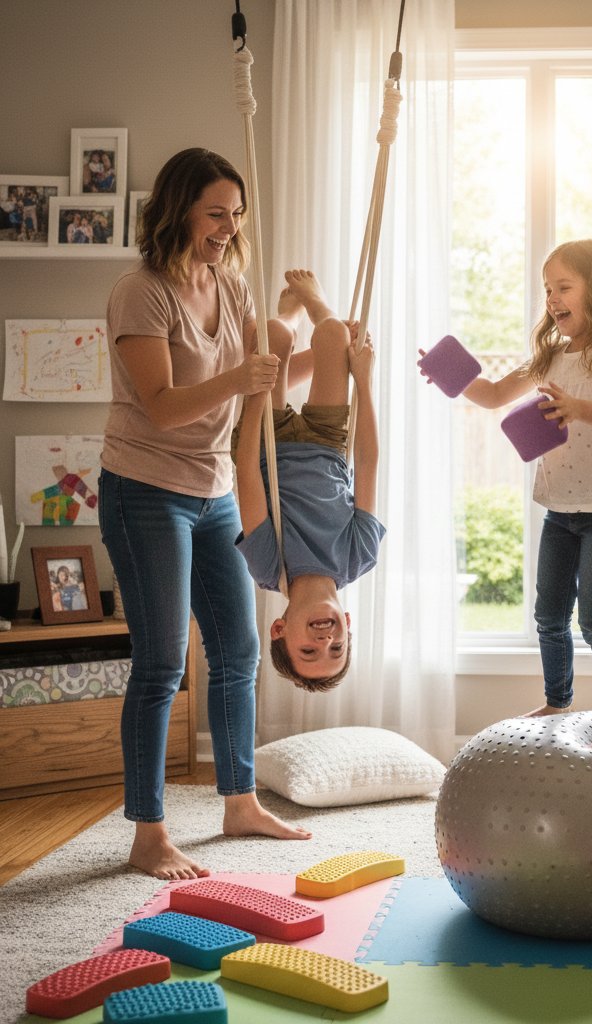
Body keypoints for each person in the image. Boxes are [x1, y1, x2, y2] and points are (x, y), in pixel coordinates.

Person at [99, 147, 311, 882]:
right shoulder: (141, 292)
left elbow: (267, 376)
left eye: (236, 214)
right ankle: (148, 832)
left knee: (239, 652)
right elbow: (159, 408)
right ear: (180, 208)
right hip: (145, 489)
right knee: (161, 663)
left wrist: (341, 355)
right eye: (216, 212)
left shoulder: (231, 283)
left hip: (215, 489)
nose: (228, 227)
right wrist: (237, 376)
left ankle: (239, 800)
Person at [424, 238, 592, 751]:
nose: (552, 298)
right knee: (549, 614)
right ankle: (558, 698)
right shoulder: (550, 355)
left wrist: (575, 408)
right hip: (560, 508)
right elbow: (491, 395)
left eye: (563, 287)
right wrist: (447, 370)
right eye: (548, 289)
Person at [232, 268, 385, 690]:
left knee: (273, 340)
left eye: (309, 651)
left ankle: (290, 314)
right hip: (327, 444)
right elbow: (368, 463)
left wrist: (257, 393)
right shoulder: (358, 556)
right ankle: (311, 302)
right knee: (334, 333)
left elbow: (245, 474)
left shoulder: (268, 565)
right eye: (337, 648)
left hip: (264, 446)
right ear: (348, 625)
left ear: (279, 629)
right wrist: (365, 381)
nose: (325, 640)